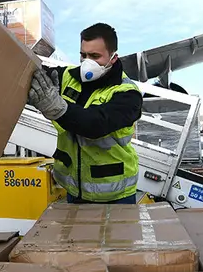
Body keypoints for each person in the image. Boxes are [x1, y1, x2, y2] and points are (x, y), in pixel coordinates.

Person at [27, 22, 143, 204]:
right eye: (83, 55)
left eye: (95, 56)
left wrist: (57, 107)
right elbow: (29, 76)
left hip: (115, 194)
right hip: (73, 190)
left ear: (113, 57)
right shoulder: (66, 77)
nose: (87, 62)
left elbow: (96, 124)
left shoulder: (127, 93)